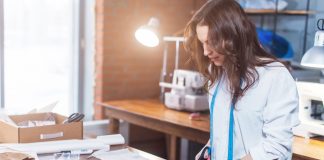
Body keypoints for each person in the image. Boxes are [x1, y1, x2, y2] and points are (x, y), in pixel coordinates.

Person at [183, 0, 299, 160]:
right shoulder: (217, 73)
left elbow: (277, 148)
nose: (205, 51)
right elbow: (225, 133)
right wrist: (208, 150)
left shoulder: (275, 76)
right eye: (203, 43)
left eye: (211, 42)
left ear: (233, 35)